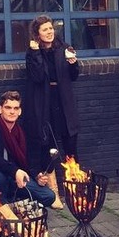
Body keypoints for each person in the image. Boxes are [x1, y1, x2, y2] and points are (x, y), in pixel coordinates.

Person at [0, 90, 56, 207]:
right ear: (0, 109)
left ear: (20, 111)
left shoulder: (22, 131)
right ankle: (0, 209)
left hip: (16, 178)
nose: (12, 112)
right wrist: (15, 171)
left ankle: (15, 205)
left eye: (16, 108)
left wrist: (37, 175)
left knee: (48, 196)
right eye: (8, 107)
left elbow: (29, 159)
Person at [25, 15, 80, 175]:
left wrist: (73, 63)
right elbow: (37, 77)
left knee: (70, 144)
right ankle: (50, 190)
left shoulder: (64, 48)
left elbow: (74, 75)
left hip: (64, 100)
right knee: (48, 145)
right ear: (37, 34)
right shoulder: (33, 52)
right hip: (45, 102)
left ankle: (76, 184)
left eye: (50, 28)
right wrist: (35, 53)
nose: (49, 32)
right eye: (45, 29)